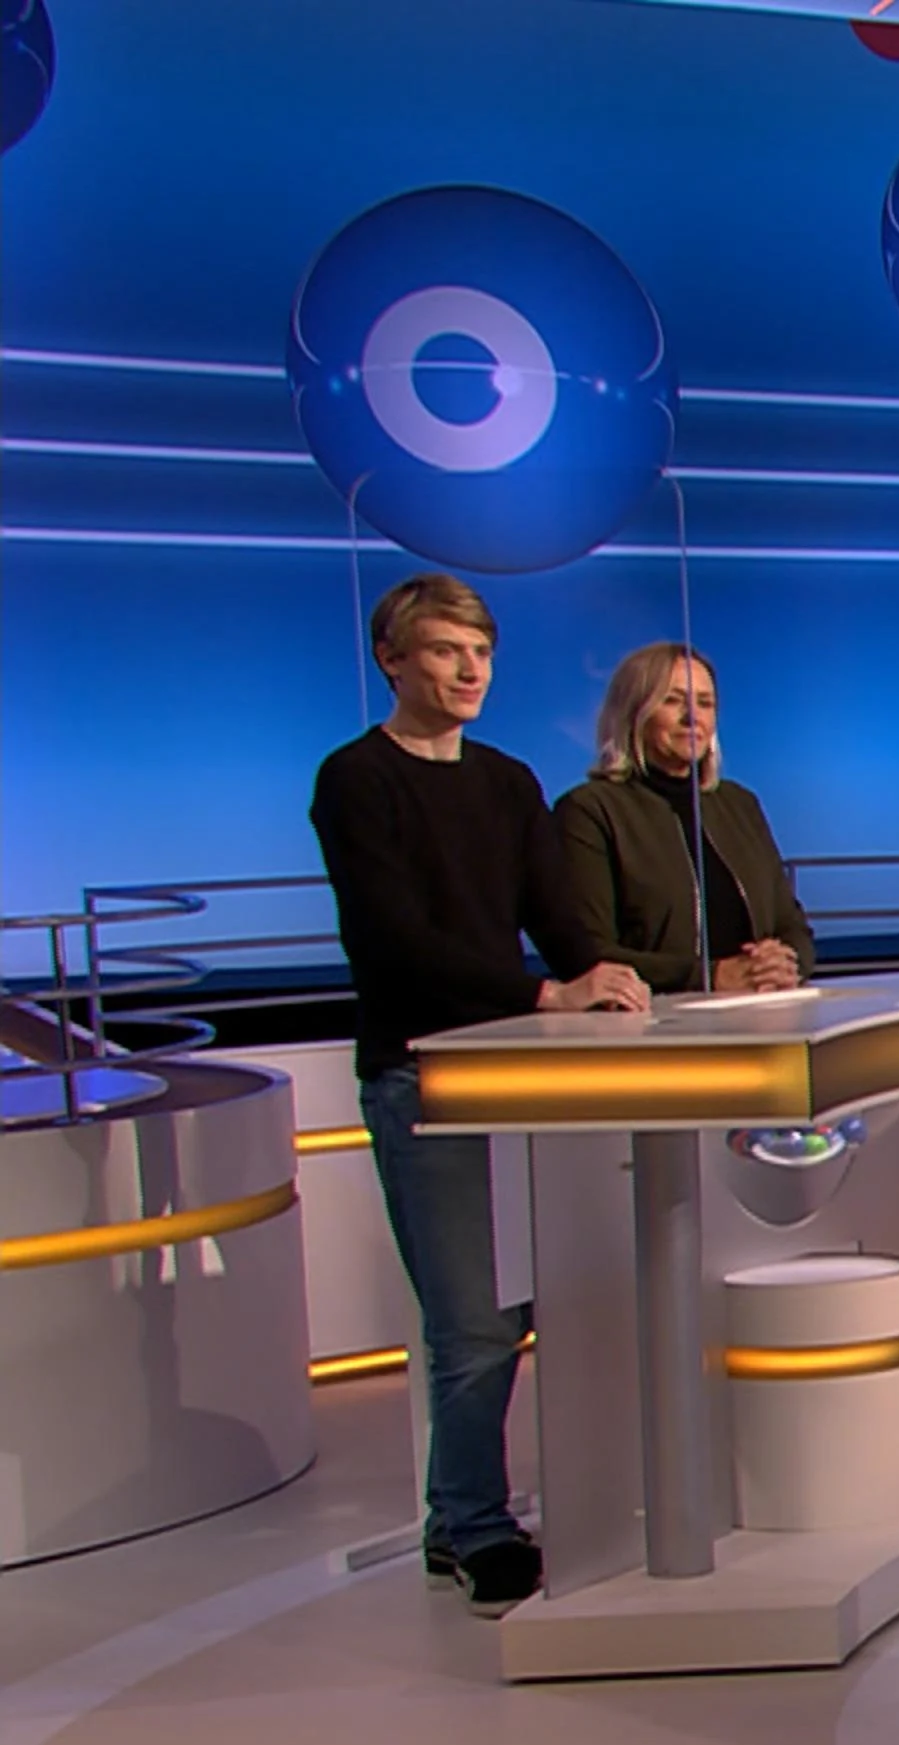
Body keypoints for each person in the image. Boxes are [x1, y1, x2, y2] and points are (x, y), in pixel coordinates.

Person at [310, 575, 650, 1614]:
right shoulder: (356, 780)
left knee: (529, 1311)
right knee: (473, 1324)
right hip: (421, 1074)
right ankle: (476, 1528)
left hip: (520, 1076)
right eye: (445, 651)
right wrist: (545, 992)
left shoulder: (507, 783)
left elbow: (558, 920)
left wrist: (609, 980)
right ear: (392, 661)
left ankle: (455, 1516)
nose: (469, 672)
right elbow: (393, 945)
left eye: (481, 653)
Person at [557, 642, 813, 996]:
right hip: (654, 1019)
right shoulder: (590, 810)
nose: (693, 717)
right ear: (634, 712)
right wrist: (709, 976)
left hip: (760, 1012)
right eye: (673, 700)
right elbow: (588, 952)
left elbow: (792, 926)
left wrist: (784, 962)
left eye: (705, 703)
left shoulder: (739, 804)